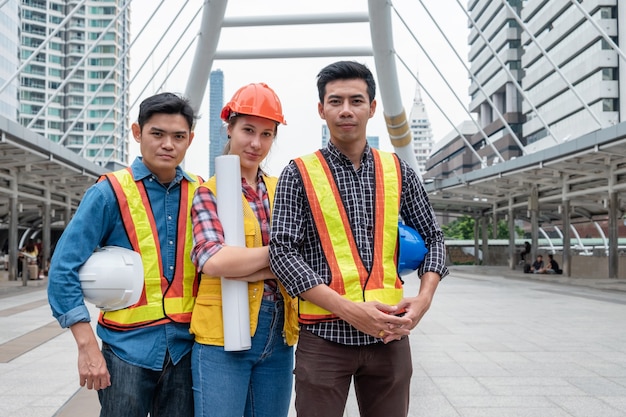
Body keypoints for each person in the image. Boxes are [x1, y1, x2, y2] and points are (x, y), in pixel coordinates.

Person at [269, 60, 449, 417]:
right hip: (324, 337)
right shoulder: (299, 173)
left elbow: (434, 238)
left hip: (390, 338)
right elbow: (283, 254)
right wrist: (351, 312)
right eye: (335, 101)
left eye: (356, 100)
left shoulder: (398, 171)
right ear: (321, 110)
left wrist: (423, 300)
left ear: (373, 107)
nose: (346, 110)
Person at [47, 92, 202, 417]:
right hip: (126, 352)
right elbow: (62, 269)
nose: (168, 145)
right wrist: (87, 346)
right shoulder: (108, 193)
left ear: (190, 139)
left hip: (187, 351)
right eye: (157, 134)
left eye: (178, 136)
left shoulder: (202, 192)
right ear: (137, 132)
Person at [189, 83, 299, 417]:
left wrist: (246, 264)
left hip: (280, 333)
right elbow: (213, 259)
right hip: (221, 334)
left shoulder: (284, 190)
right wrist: (281, 259)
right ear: (230, 128)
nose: (256, 143)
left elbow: (307, 254)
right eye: (248, 130)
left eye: (266, 134)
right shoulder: (208, 192)